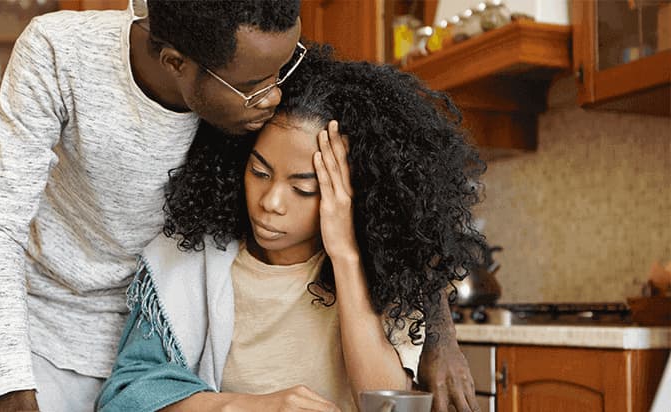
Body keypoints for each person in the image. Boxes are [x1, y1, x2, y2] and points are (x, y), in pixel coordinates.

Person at [97, 45, 487, 412]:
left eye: (303, 188)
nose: (271, 202)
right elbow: (126, 394)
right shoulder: (185, 263)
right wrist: (252, 406)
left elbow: (385, 406)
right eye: (259, 172)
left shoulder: (382, 273)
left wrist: (346, 256)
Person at [0, 1, 303, 410]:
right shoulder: (59, 51)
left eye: (282, 71)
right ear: (176, 63)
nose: (275, 97)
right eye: (251, 85)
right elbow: (0, 225)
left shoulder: (248, 85)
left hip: (168, 351)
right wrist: (11, 382)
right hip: (45, 342)